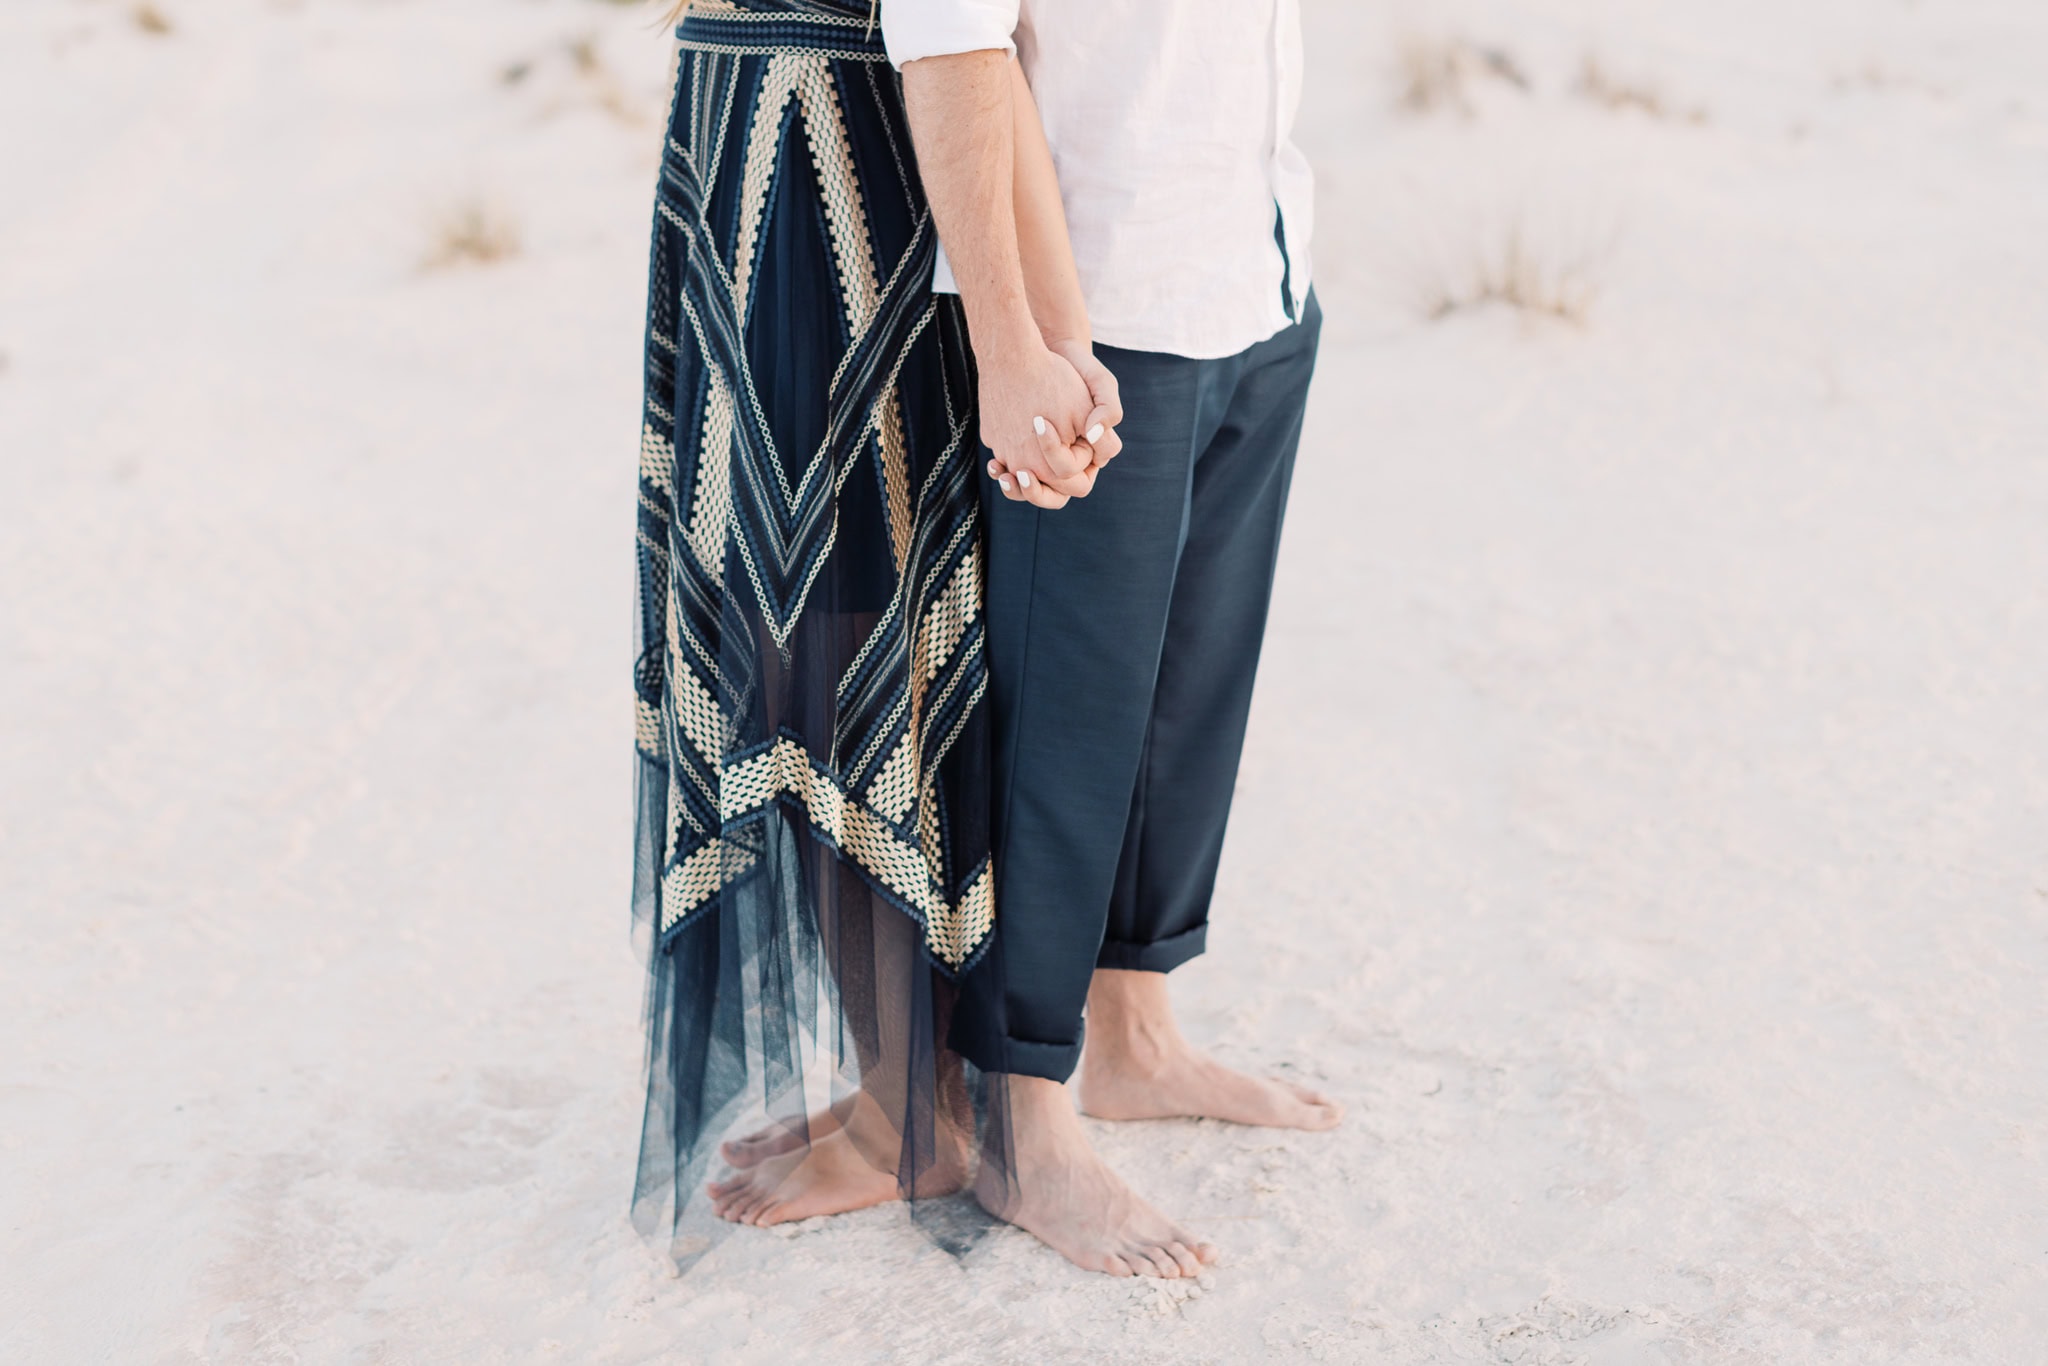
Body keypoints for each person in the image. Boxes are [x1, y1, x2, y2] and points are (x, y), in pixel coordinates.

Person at [627, 0, 1116, 1266]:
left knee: (830, 632)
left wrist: (1047, 339)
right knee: (799, 630)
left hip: (831, 166)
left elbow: (979, 50)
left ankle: (910, 1103)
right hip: (744, 146)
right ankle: (897, 1084)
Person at [885, 0, 1341, 1280]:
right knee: (1063, 731)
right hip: (1096, 303)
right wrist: (1012, 348)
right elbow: (951, 42)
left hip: (1255, 264)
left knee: (1188, 692)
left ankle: (1135, 1037)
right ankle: (1022, 1117)